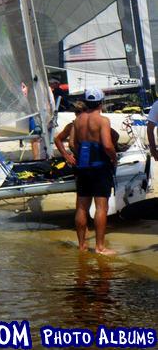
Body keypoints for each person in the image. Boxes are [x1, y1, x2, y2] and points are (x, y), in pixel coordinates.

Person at [71, 87, 118, 255]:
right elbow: (106, 144)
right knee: (100, 207)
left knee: (82, 207)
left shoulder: (78, 120)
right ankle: (99, 247)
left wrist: (81, 156)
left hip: (83, 167)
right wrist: (114, 157)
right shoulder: (102, 120)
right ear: (101, 102)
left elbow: (73, 144)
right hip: (99, 166)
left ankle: (82, 245)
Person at [53, 101, 87, 165]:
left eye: (79, 111)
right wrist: (66, 156)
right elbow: (58, 140)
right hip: (78, 160)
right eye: (76, 111)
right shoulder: (71, 126)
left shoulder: (93, 124)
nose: (77, 114)